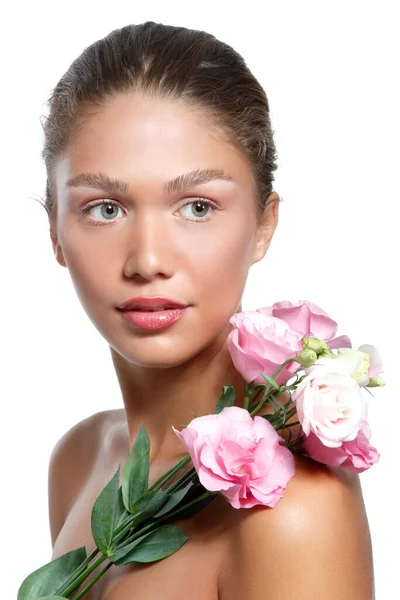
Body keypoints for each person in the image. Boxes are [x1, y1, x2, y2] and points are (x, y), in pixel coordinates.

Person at [43, 21, 375, 599]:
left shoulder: (293, 509)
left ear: (262, 225)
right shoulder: (79, 460)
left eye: (196, 206)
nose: (147, 259)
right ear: (54, 231)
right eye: (104, 209)